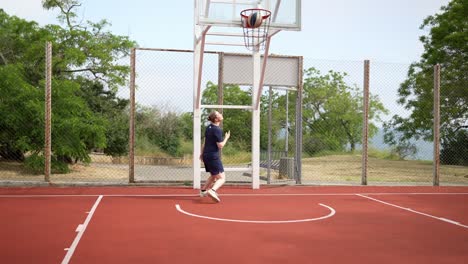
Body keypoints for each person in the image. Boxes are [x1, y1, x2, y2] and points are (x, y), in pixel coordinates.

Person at [200, 111, 230, 203]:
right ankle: (212, 191)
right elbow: (220, 145)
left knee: (213, 175)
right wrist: (226, 138)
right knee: (222, 178)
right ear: (216, 119)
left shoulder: (208, 128)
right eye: (219, 114)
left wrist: (201, 153)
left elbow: (205, 142)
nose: (221, 114)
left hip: (206, 155)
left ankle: (203, 191)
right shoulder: (217, 130)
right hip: (213, 156)